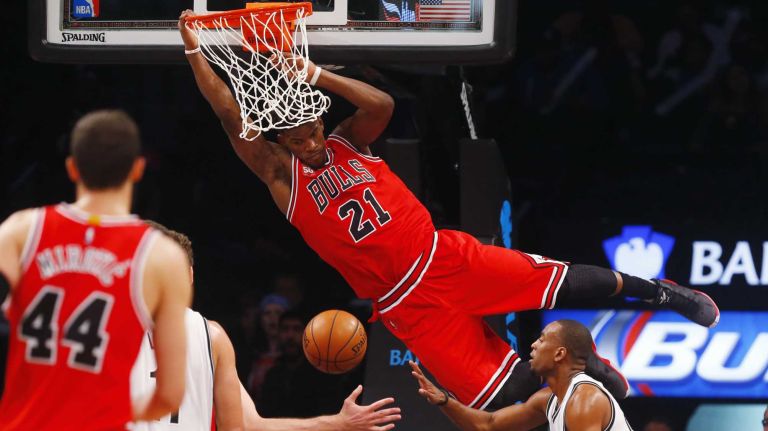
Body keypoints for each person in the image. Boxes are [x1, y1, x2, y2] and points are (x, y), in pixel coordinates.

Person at [179, 10, 719, 410]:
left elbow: (383, 105)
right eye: (298, 139)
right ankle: (590, 371)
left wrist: (316, 74)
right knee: (496, 397)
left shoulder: (347, 140)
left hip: (443, 257)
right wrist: (194, 54)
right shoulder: (281, 176)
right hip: (406, 304)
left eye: (314, 129)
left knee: (557, 281)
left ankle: (664, 293)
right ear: (283, 140)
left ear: (321, 121)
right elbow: (229, 113)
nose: (311, 143)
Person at [0, 110, 192, 430]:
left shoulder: (22, 230)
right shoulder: (162, 257)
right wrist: (104, 409)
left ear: (72, 168)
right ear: (137, 169)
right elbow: (170, 394)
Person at [131, 223, 401, 431]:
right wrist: (337, 424)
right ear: (189, 276)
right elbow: (246, 426)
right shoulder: (212, 337)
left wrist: (338, 423)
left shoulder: (111, 324)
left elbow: (248, 425)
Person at [410, 319, 633, 431]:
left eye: (542, 340)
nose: (534, 345)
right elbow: (488, 424)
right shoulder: (549, 399)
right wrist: (445, 400)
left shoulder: (585, 400)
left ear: (559, 354)